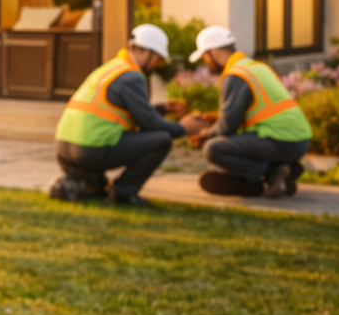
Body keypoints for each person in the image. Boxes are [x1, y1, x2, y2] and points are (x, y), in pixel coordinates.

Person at [50, 24, 208, 206]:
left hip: (64, 148)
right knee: (161, 139)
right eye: (158, 58)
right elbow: (149, 122)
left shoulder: (112, 67)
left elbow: (125, 111)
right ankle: (123, 191)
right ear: (141, 50)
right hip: (89, 150)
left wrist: (163, 108)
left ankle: (83, 182)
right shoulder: (131, 76)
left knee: (96, 186)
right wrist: (183, 128)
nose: (158, 64)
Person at [188, 25, 313, 197]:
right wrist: (214, 119)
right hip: (299, 140)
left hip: (281, 140)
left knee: (214, 149)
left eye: (205, 57)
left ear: (214, 53)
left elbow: (227, 126)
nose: (206, 62)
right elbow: (254, 113)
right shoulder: (255, 67)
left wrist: (204, 135)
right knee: (226, 144)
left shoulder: (235, 74)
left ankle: (268, 176)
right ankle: (283, 171)